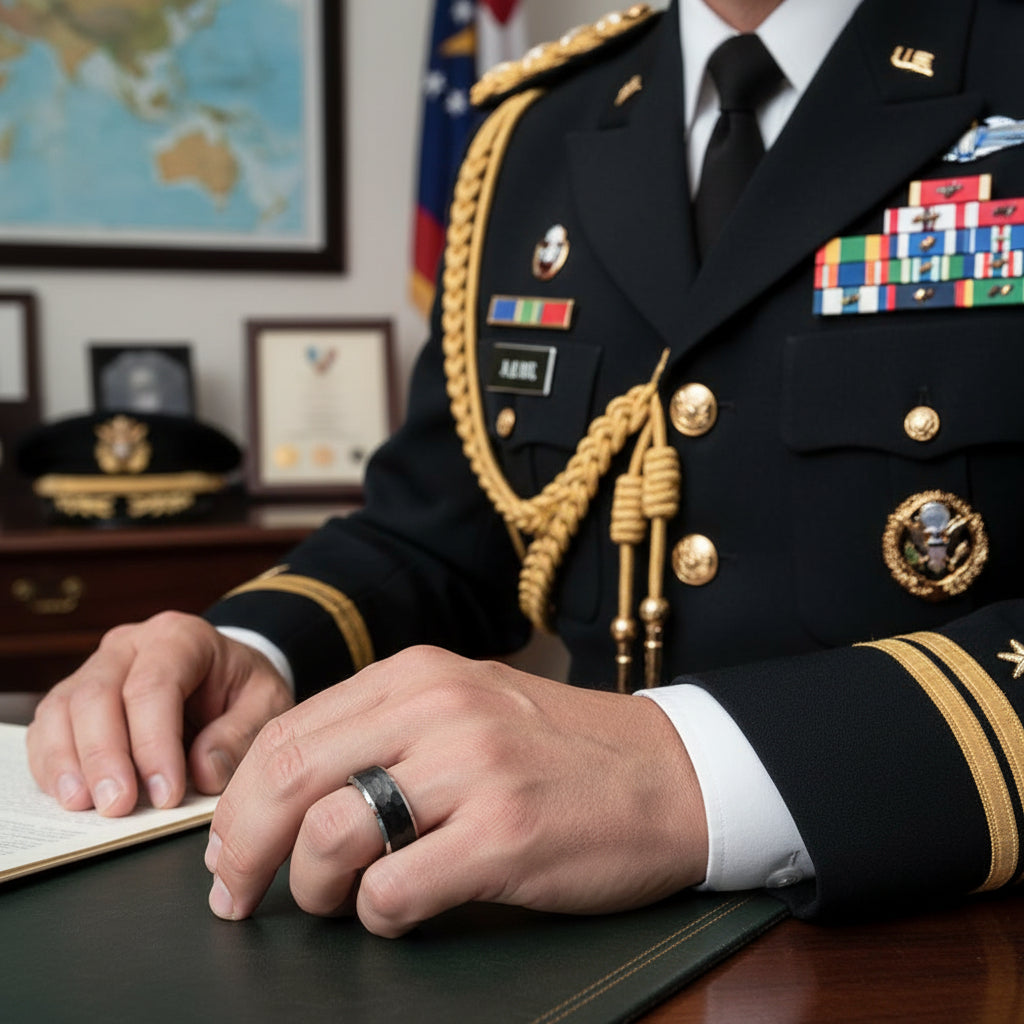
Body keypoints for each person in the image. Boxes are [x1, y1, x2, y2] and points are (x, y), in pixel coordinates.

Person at [26, 0, 1024, 937]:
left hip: (938, 916)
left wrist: (694, 772)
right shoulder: (536, 131)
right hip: (538, 925)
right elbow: (444, 529)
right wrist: (257, 648)